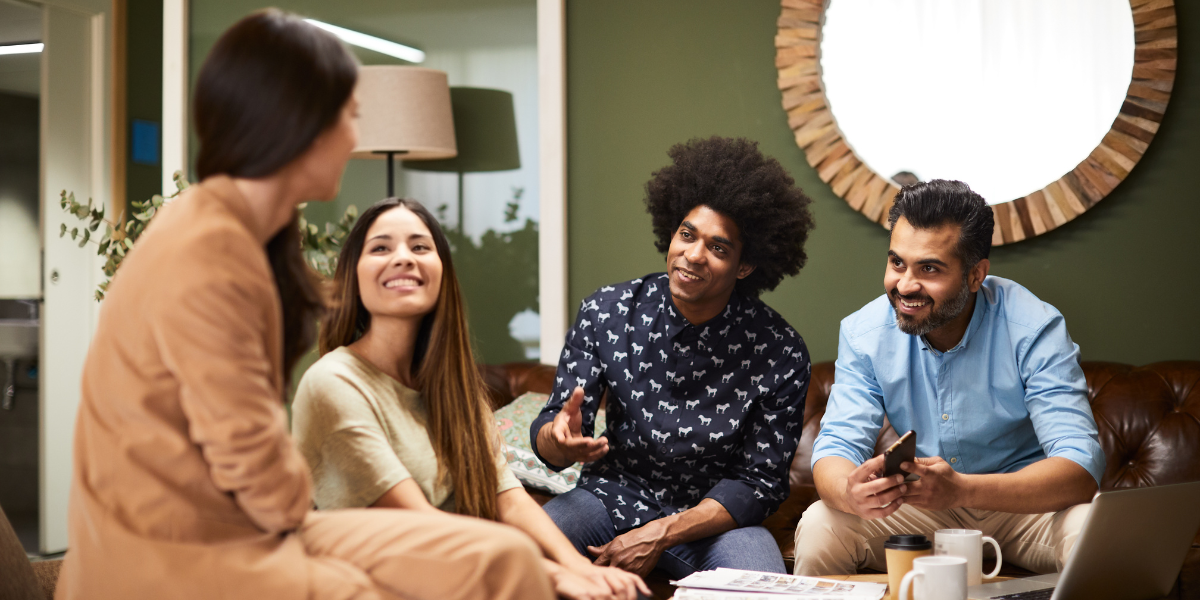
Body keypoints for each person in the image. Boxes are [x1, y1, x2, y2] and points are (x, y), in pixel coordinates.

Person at [55, 11, 552, 600]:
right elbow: (255, 468)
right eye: (347, 114)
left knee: (503, 558)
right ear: (297, 122)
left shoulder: (251, 234)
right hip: (175, 550)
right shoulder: (209, 249)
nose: (352, 135)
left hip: (253, 529)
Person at [291, 198, 651, 600]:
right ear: (353, 276)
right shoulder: (333, 382)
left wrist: (580, 568)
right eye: (381, 248)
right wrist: (548, 574)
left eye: (420, 247)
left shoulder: (455, 389)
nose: (403, 258)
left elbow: (507, 495)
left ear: (442, 273)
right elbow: (415, 521)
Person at [531, 136, 817, 578]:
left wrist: (663, 532)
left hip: (714, 524)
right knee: (526, 553)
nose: (693, 255)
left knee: (762, 587)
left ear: (744, 266)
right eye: (687, 235)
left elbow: (758, 483)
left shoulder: (779, 350)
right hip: (608, 499)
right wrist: (558, 439)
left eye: (718, 248)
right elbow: (556, 439)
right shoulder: (607, 311)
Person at [794, 180, 1104, 576]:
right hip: (921, 510)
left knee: (1088, 530)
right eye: (896, 263)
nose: (905, 285)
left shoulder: (1034, 327)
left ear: (976, 275)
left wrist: (961, 489)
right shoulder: (864, 334)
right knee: (823, 523)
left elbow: (1079, 467)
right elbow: (836, 446)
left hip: (1024, 508)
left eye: (929, 269)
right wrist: (849, 493)